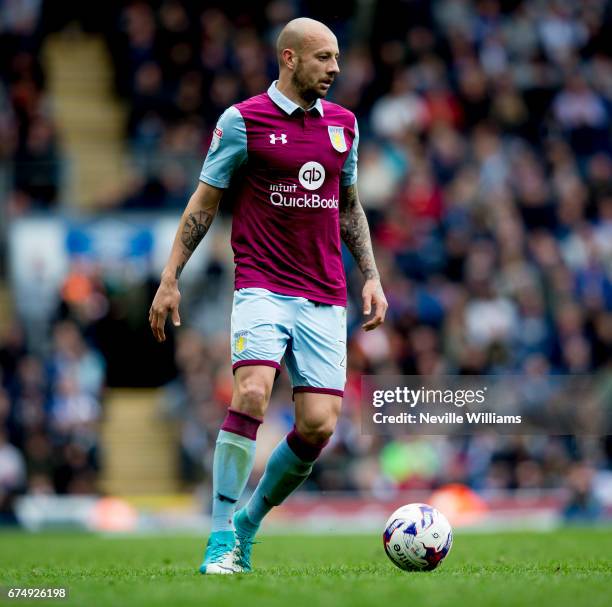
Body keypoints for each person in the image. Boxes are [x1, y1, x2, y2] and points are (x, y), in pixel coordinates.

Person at [149, 17, 388, 574]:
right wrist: (170, 277)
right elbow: (204, 202)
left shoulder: (345, 126)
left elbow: (348, 206)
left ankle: (248, 523)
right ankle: (216, 540)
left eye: (337, 58)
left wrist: (371, 275)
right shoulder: (242, 121)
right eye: (324, 58)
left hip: (325, 291)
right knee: (252, 392)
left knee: (319, 424)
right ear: (289, 58)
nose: (335, 69)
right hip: (262, 283)